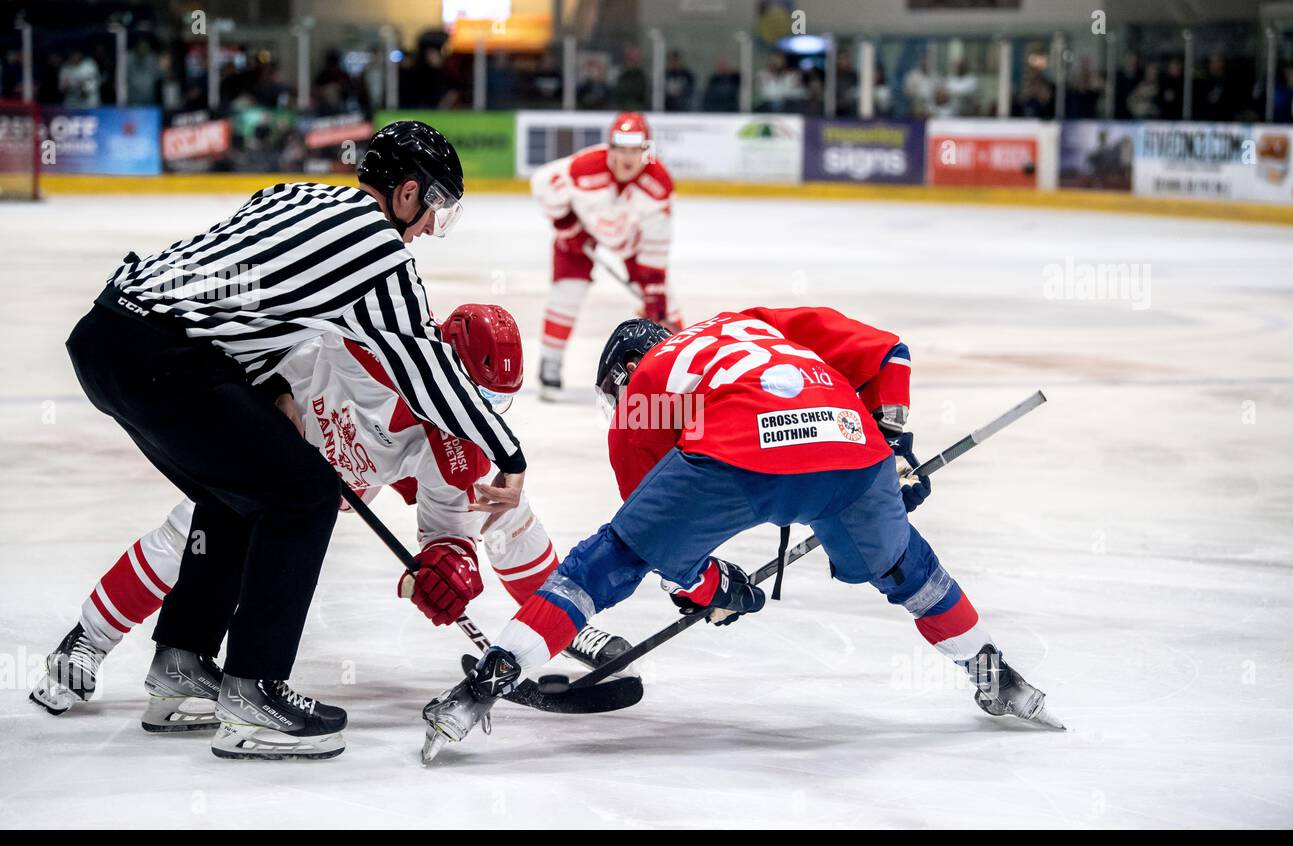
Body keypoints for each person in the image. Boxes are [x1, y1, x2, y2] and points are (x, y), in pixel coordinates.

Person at [63, 121, 527, 761]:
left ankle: (181, 666)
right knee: (305, 495)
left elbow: (234, 279)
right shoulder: (381, 252)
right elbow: (424, 366)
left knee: (236, 498)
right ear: (409, 193)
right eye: (434, 211)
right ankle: (254, 693)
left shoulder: (298, 195)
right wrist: (508, 452)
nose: (426, 231)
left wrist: (262, 383)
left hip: (109, 334)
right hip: (167, 360)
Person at [421, 308, 1063, 761]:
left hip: (740, 454)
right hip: (851, 445)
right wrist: (893, 447)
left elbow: (662, 557)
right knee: (910, 570)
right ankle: (998, 677)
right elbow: (889, 350)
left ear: (622, 376)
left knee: (602, 563)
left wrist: (714, 589)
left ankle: (481, 687)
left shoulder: (642, 400)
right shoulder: (751, 322)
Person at [33, 305, 628, 726]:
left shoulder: (458, 440)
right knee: (193, 532)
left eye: (496, 405)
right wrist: (270, 403)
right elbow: (254, 360)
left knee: (502, 507)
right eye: (477, 396)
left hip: (345, 481)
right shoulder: (352, 348)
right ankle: (85, 642)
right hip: (273, 458)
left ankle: (563, 617)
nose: (480, 415)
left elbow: (451, 532)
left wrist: (448, 565)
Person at [529, 111, 677, 399]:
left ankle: (674, 368)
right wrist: (567, 225)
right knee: (566, 296)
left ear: (646, 151)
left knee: (665, 307)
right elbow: (542, 183)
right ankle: (550, 362)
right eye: (621, 149)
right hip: (580, 236)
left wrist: (653, 293)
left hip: (630, 243)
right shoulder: (584, 167)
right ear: (610, 148)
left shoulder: (658, 185)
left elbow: (656, 244)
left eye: (635, 150)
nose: (627, 158)